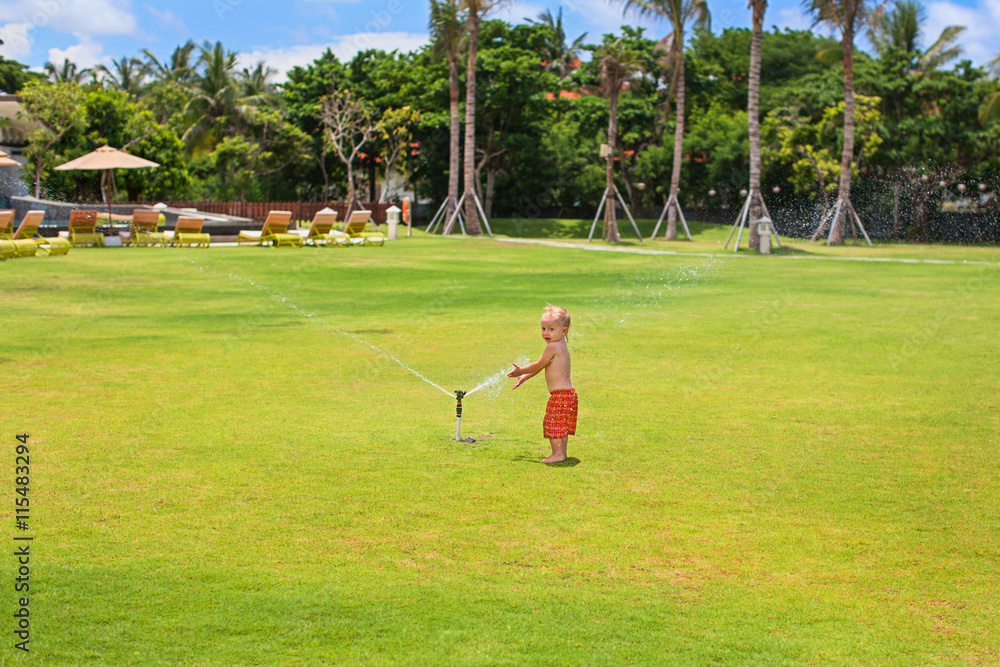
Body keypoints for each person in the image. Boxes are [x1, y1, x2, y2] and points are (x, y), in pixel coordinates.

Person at [508, 306, 577, 463]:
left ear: (564, 331)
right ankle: (562, 453)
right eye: (543, 328)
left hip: (560, 395)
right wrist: (525, 376)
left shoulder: (552, 346)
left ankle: (557, 454)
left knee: (553, 423)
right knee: (561, 425)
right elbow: (544, 366)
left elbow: (538, 364)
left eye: (551, 329)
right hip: (568, 393)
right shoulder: (560, 346)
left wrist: (521, 370)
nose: (546, 332)